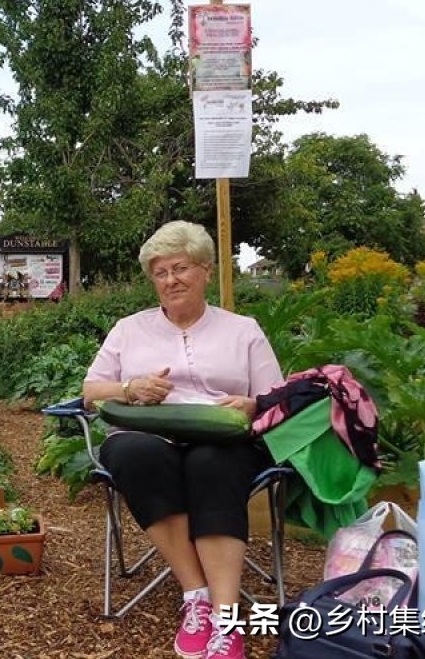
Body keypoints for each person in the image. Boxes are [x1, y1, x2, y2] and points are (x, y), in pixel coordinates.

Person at [82, 221, 282, 659]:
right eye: (160, 272)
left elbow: (275, 397)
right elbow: (92, 391)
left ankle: (226, 620)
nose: (171, 280)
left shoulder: (242, 329)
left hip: (223, 439)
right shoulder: (128, 329)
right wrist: (130, 388)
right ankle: (198, 596)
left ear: (206, 271)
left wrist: (250, 405)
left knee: (212, 460)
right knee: (134, 452)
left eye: (180, 268)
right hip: (145, 433)